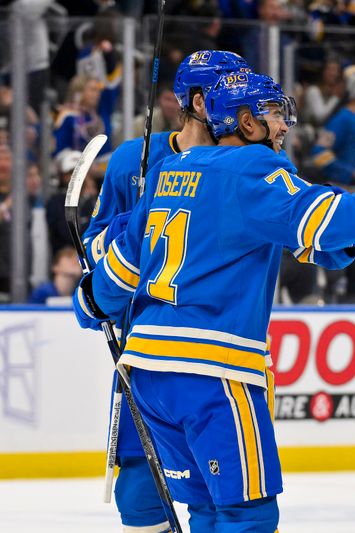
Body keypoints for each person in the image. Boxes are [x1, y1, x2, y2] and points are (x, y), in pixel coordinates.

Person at [72, 71, 355, 531]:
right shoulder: (253, 170)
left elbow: (123, 268)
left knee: (207, 507)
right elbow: (332, 220)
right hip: (212, 372)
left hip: (148, 373)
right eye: (274, 114)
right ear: (245, 121)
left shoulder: (168, 173)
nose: (285, 125)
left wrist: (87, 303)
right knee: (247, 514)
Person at [80, 49, 253, 533]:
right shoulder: (132, 161)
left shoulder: (247, 161)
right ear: (199, 102)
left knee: (228, 500)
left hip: (214, 353)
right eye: (231, 94)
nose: (247, 109)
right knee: (138, 493)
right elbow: (94, 247)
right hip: (147, 349)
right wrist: (128, 240)